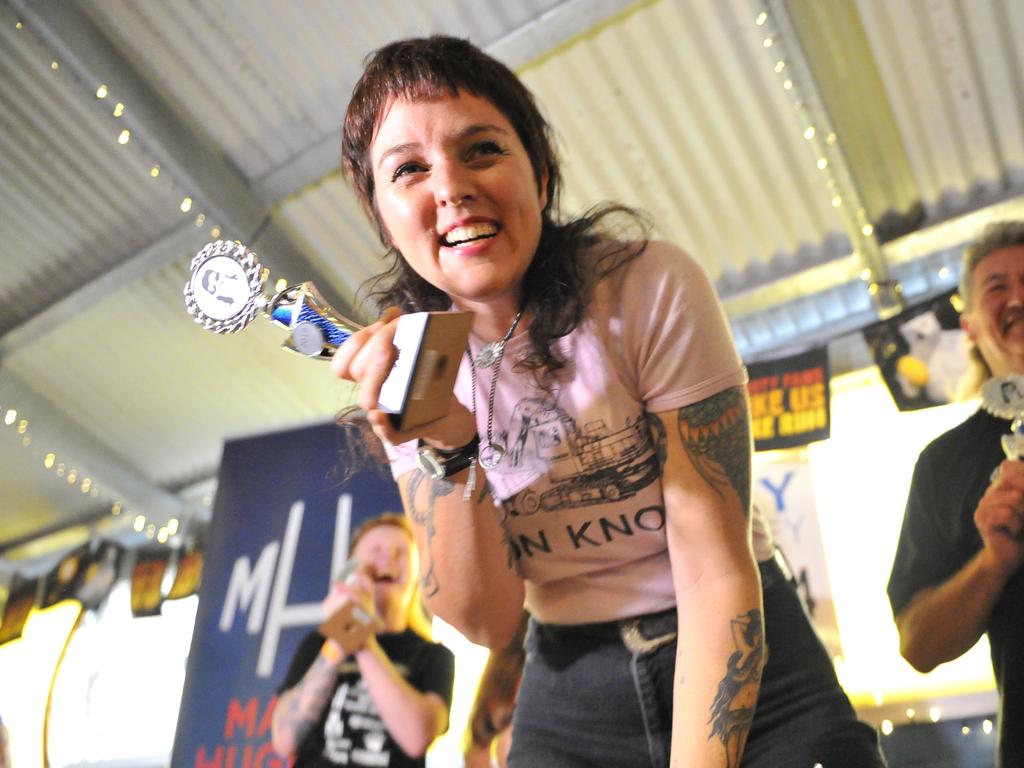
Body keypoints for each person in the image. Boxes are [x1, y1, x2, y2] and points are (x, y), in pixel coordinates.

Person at [331, 35, 884, 767]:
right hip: (569, 681)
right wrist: (448, 441)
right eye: (409, 169)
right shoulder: (410, 363)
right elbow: (489, 622)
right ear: (382, 216)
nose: (452, 186)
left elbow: (715, 569)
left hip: (739, 642)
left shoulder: (645, 288)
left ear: (542, 171)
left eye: (483, 150)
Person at [888, 221, 1024, 767]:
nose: (1018, 296)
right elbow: (917, 643)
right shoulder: (943, 465)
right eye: (997, 286)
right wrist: (993, 562)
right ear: (967, 323)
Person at [271, 513, 455, 767]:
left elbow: (416, 739)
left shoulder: (434, 656)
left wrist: (359, 635)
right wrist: (340, 635)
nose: (387, 558)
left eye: (401, 551)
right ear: (351, 567)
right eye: (375, 549)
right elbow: (284, 740)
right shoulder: (317, 643)